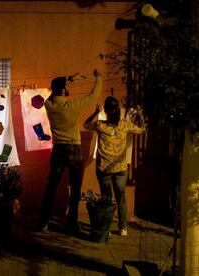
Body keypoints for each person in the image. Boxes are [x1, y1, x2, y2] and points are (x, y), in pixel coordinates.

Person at [39, 69, 102, 232]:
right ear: (62, 90)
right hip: (73, 148)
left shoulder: (49, 105)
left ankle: (43, 221)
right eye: (66, 87)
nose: (69, 89)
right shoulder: (72, 105)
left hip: (58, 148)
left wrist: (68, 79)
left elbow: (52, 94)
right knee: (75, 188)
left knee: (51, 186)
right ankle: (71, 224)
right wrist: (99, 77)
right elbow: (93, 95)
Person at [83, 96, 146, 236]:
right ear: (118, 109)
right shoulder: (124, 124)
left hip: (104, 168)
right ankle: (122, 227)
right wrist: (140, 114)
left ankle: (105, 227)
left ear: (105, 110)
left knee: (106, 197)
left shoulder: (100, 125)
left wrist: (95, 112)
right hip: (120, 168)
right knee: (121, 197)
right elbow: (142, 130)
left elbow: (85, 125)